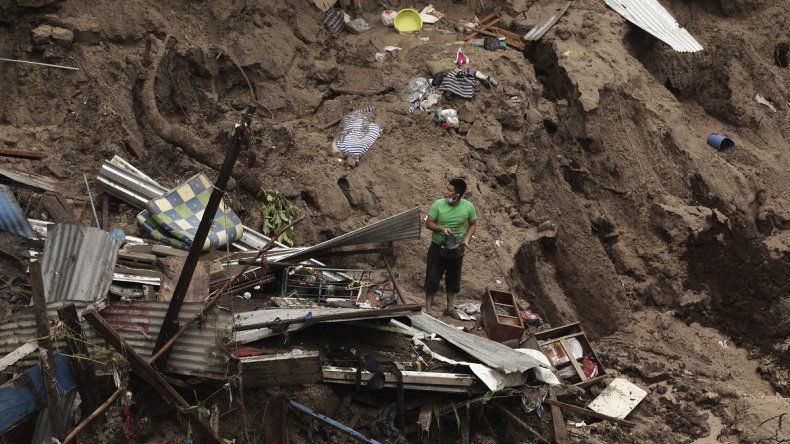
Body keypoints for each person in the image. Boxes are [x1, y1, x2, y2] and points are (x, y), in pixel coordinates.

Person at [424, 178, 477, 316]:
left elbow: (472, 224)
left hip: (457, 248)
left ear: (457, 195)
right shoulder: (438, 205)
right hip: (437, 247)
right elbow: (429, 223)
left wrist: (466, 240)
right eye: (445, 188)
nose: (445, 192)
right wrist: (441, 229)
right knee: (432, 276)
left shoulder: (468, 207)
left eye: (449, 190)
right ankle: (428, 308)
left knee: (453, 279)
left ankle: (450, 309)